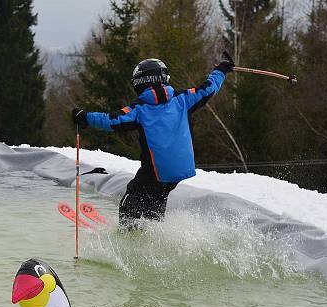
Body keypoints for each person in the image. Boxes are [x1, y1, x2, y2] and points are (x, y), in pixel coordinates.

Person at [72, 54, 234, 228]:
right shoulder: (183, 98)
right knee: (156, 198)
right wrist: (221, 69)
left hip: (156, 171)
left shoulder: (140, 109)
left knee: (130, 203)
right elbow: (208, 88)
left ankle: (128, 238)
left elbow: (112, 120)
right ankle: (154, 233)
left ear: (140, 83)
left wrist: (85, 117)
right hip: (180, 170)